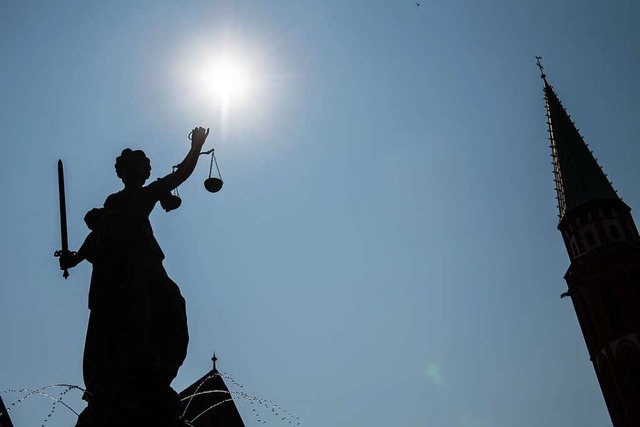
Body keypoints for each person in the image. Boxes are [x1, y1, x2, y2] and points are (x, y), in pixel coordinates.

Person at [59, 127, 210, 427]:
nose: (139, 171)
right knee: (128, 319)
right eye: (133, 167)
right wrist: (74, 258)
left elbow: (179, 177)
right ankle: (128, 373)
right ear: (125, 172)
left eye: (142, 167)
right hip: (118, 272)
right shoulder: (114, 204)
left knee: (170, 305)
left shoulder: (147, 195)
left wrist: (196, 148)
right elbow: (98, 234)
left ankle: (154, 369)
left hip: (146, 264)